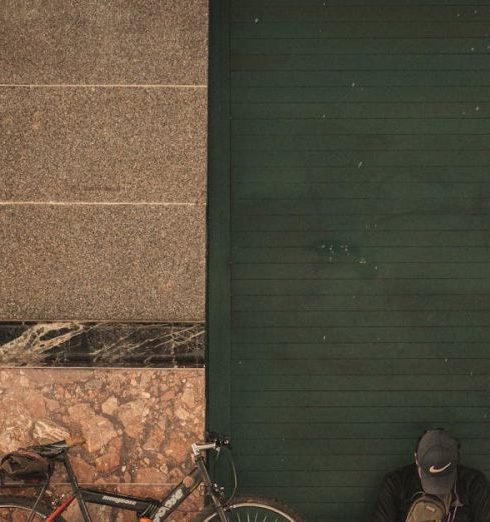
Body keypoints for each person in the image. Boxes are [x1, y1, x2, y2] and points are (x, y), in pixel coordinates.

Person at [371, 428, 490, 521]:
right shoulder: (396, 482)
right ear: (416, 459)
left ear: (457, 460)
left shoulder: (473, 483)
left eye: (444, 477)